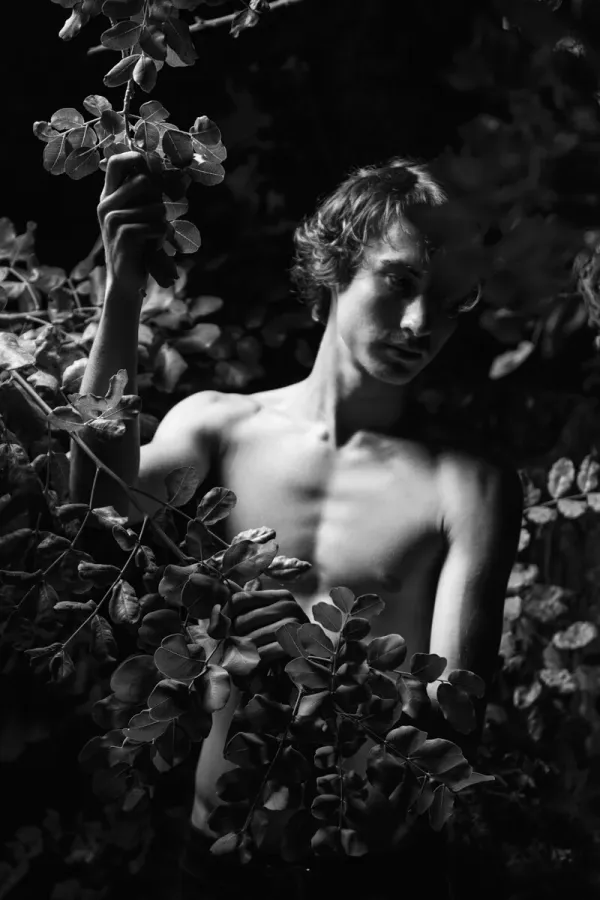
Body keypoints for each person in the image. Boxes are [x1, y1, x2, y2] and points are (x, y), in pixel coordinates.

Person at [70, 151, 523, 899]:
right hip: (214, 861)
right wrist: (122, 286)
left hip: (373, 873)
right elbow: (97, 506)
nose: (420, 323)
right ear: (337, 267)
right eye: (402, 282)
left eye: (448, 301)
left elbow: (455, 716)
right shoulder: (223, 427)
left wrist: (319, 656)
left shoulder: (466, 486)